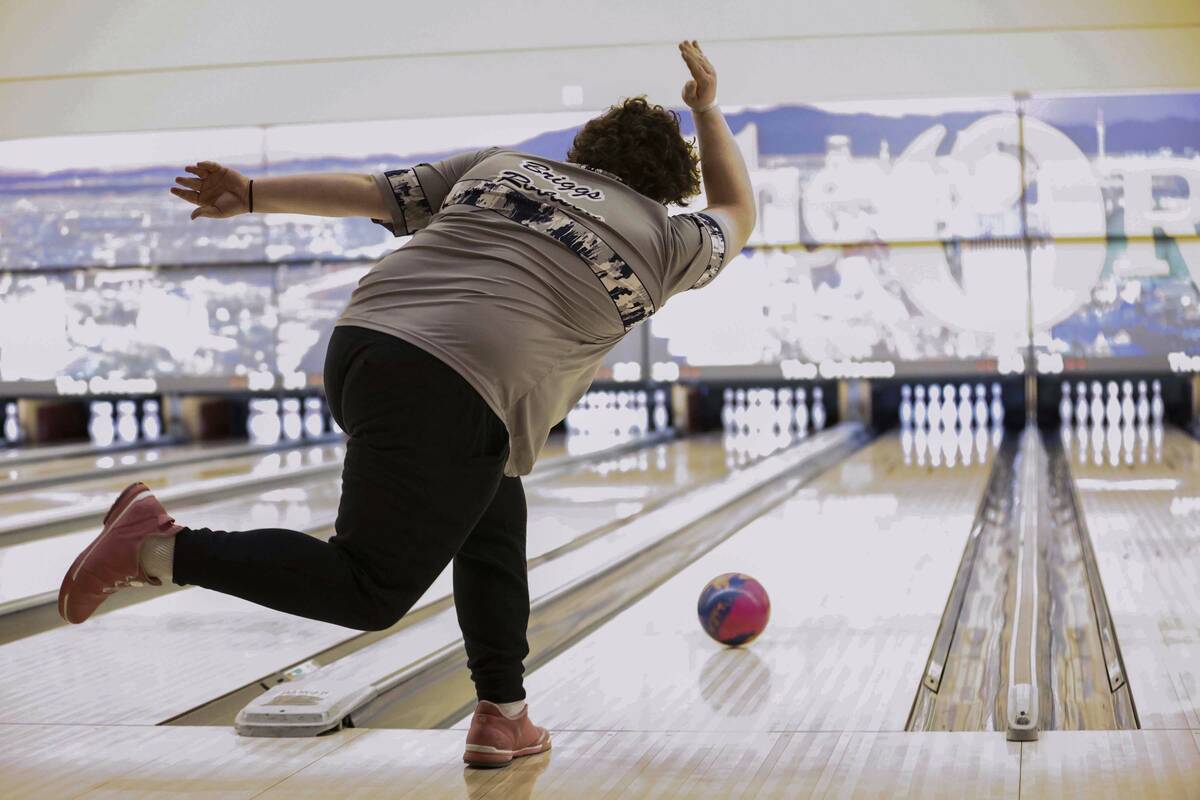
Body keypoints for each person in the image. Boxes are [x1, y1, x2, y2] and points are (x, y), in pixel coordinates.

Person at [58, 39, 754, 768]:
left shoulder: (502, 166)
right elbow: (738, 208)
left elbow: (372, 191)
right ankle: (159, 547)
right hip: (459, 383)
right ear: (669, 189)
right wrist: (707, 111)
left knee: (493, 508)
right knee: (369, 590)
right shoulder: (670, 240)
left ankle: (503, 712)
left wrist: (253, 193)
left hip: (364, 343)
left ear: (583, 151)